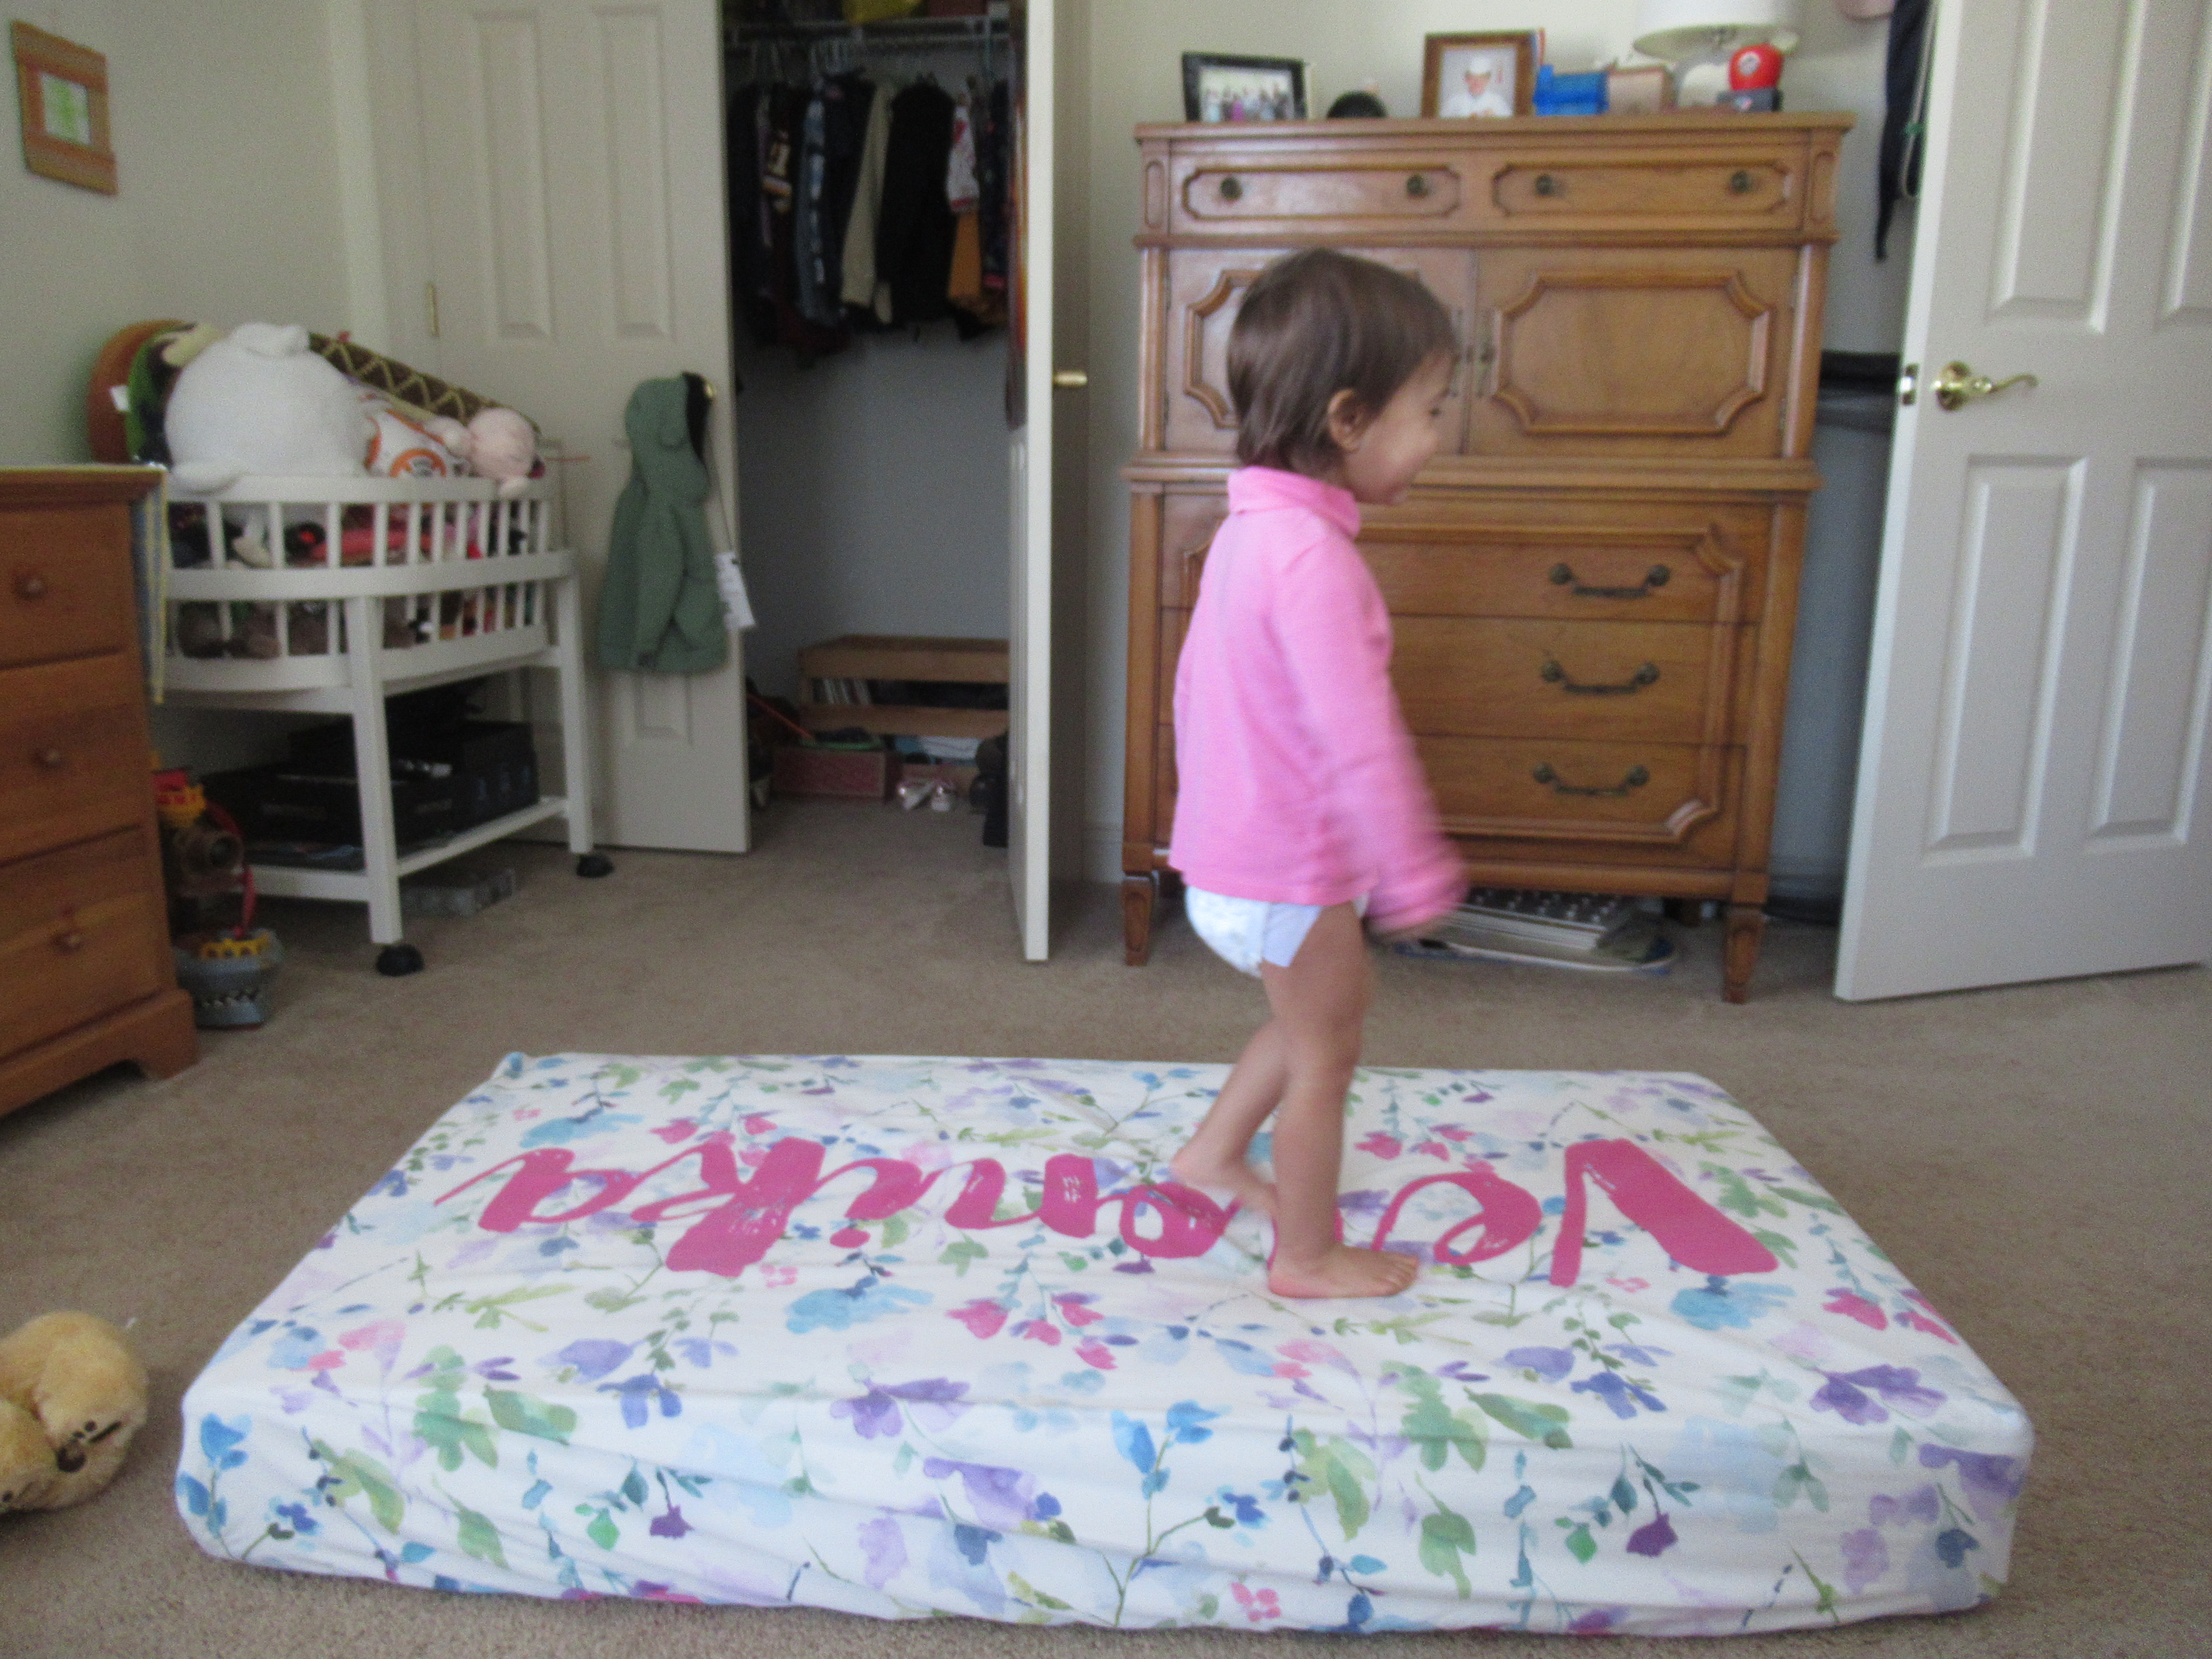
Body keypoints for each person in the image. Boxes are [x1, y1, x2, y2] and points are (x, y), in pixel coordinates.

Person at [1165, 249, 1465, 1300]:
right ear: (1347, 420)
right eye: (1429, 411)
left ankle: (1209, 1155)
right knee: (1329, 1059)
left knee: (1310, 1025)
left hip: (1227, 862)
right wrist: (1414, 867)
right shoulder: (1318, 562)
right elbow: (1362, 738)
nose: (1436, 439)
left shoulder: (1251, 532)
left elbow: (1195, 694)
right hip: (1288, 872)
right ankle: (1306, 1255)